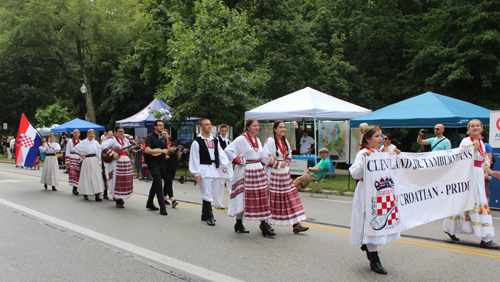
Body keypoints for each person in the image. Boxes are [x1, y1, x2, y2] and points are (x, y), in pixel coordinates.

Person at [350, 125, 400, 275]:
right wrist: (365, 160)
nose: (381, 139)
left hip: (379, 194)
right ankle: (374, 259)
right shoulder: (363, 153)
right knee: (371, 222)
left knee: (377, 221)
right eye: (377, 136)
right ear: (367, 138)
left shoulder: (380, 152)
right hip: (367, 191)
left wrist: (396, 156)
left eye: (381, 136)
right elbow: (355, 173)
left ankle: (369, 245)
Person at [443, 119, 500, 248]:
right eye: (472, 126)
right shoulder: (466, 141)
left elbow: (484, 161)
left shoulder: (482, 143)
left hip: (478, 174)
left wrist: (491, 172)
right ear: (468, 129)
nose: (475, 127)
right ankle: (485, 237)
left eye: (477, 125)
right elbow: (460, 158)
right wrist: (472, 149)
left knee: (466, 202)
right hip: (468, 174)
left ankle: (449, 227)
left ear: (481, 128)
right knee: (476, 202)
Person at [224, 118, 274, 236]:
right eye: (253, 126)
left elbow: (261, 156)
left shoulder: (257, 139)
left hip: (257, 169)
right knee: (242, 197)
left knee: (261, 196)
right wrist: (239, 160)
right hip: (245, 170)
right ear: (247, 127)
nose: (256, 128)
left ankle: (264, 224)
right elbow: (228, 150)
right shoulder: (241, 139)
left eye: (257, 126)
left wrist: (270, 158)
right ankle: (239, 223)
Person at [261, 120, 309, 234]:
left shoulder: (284, 141)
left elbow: (289, 155)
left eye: (284, 127)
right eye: (280, 127)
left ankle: (296, 224)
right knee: (270, 198)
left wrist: (285, 163)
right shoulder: (270, 141)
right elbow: (264, 158)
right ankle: (265, 223)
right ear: (275, 129)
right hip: (273, 173)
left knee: (289, 197)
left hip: (283, 173)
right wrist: (278, 163)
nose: (283, 129)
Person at [189, 118, 230, 226]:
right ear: (201, 127)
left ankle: (204, 214)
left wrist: (225, 165)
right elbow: (194, 158)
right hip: (203, 169)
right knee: (207, 193)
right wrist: (196, 173)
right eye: (207, 124)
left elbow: (220, 153)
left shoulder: (215, 140)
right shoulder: (197, 142)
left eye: (210, 124)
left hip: (213, 169)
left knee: (212, 193)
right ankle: (210, 216)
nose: (209, 126)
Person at [101, 126, 135, 208]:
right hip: (117, 162)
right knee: (116, 179)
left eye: (122, 131)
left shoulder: (125, 140)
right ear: (115, 132)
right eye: (119, 131)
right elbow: (103, 145)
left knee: (125, 179)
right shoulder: (113, 139)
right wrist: (112, 153)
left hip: (125, 161)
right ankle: (117, 198)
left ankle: (121, 196)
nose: (121, 133)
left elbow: (133, 146)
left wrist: (129, 136)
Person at [144, 120, 169, 215]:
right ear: (155, 126)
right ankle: (163, 208)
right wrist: (159, 151)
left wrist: (167, 153)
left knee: (156, 183)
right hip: (153, 163)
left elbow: (164, 150)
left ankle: (149, 203)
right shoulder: (149, 137)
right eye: (159, 125)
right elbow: (147, 150)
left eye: (162, 125)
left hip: (162, 163)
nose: (162, 127)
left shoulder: (163, 138)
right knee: (159, 183)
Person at [72, 129, 104, 202]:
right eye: (90, 133)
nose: (91, 135)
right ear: (87, 134)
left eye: (92, 133)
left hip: (94, 160)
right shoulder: (84, 142)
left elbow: (99, 150)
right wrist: (81, 155)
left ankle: (97, 194)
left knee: (96, 176)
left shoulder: (96, 142)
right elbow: (75, 149)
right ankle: (85, 193)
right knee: (87, 176)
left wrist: (98, 157)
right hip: (87, 160)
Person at [214, 124, 232, 209]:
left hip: (229, 164)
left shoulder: (229, 141)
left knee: (231, 182)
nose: (224, 132)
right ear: (220, 131)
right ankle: (218, 203)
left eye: (225, 131)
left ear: (227, 131)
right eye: (222, 130)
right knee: (220, 184)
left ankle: (233, 202)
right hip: (221, 165)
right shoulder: (217, 140)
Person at [161, 129, 181, 208]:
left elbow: (176, 156)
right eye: (163, 134)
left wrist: (179, 155)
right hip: (165, 167)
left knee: (168, 182)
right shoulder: (161, 145)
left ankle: (164, 198)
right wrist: (164, 156)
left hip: (173, 166)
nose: (164, 135)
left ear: (169, 135)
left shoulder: (173, 144)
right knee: (169, 182)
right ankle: (172, 199)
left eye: (165, 134)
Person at [65, 129, 81, 195]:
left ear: (79, 134)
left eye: (77, 133)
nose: (76, 134)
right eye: (74, 133)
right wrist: (67, 160)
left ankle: (75, 188)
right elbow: (67, 151)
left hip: (78, 158)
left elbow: (81, 151)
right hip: (71, 158)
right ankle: (74, 186)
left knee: (77, 174)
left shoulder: (81, 142)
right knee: (73, 173)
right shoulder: (70, 141)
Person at [481, 130, 493, 203]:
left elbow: (489, 159)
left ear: (482, 136)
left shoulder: (486, 145)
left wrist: (486, 172)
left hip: (484, 171)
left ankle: (486, 208)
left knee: (485, 190)